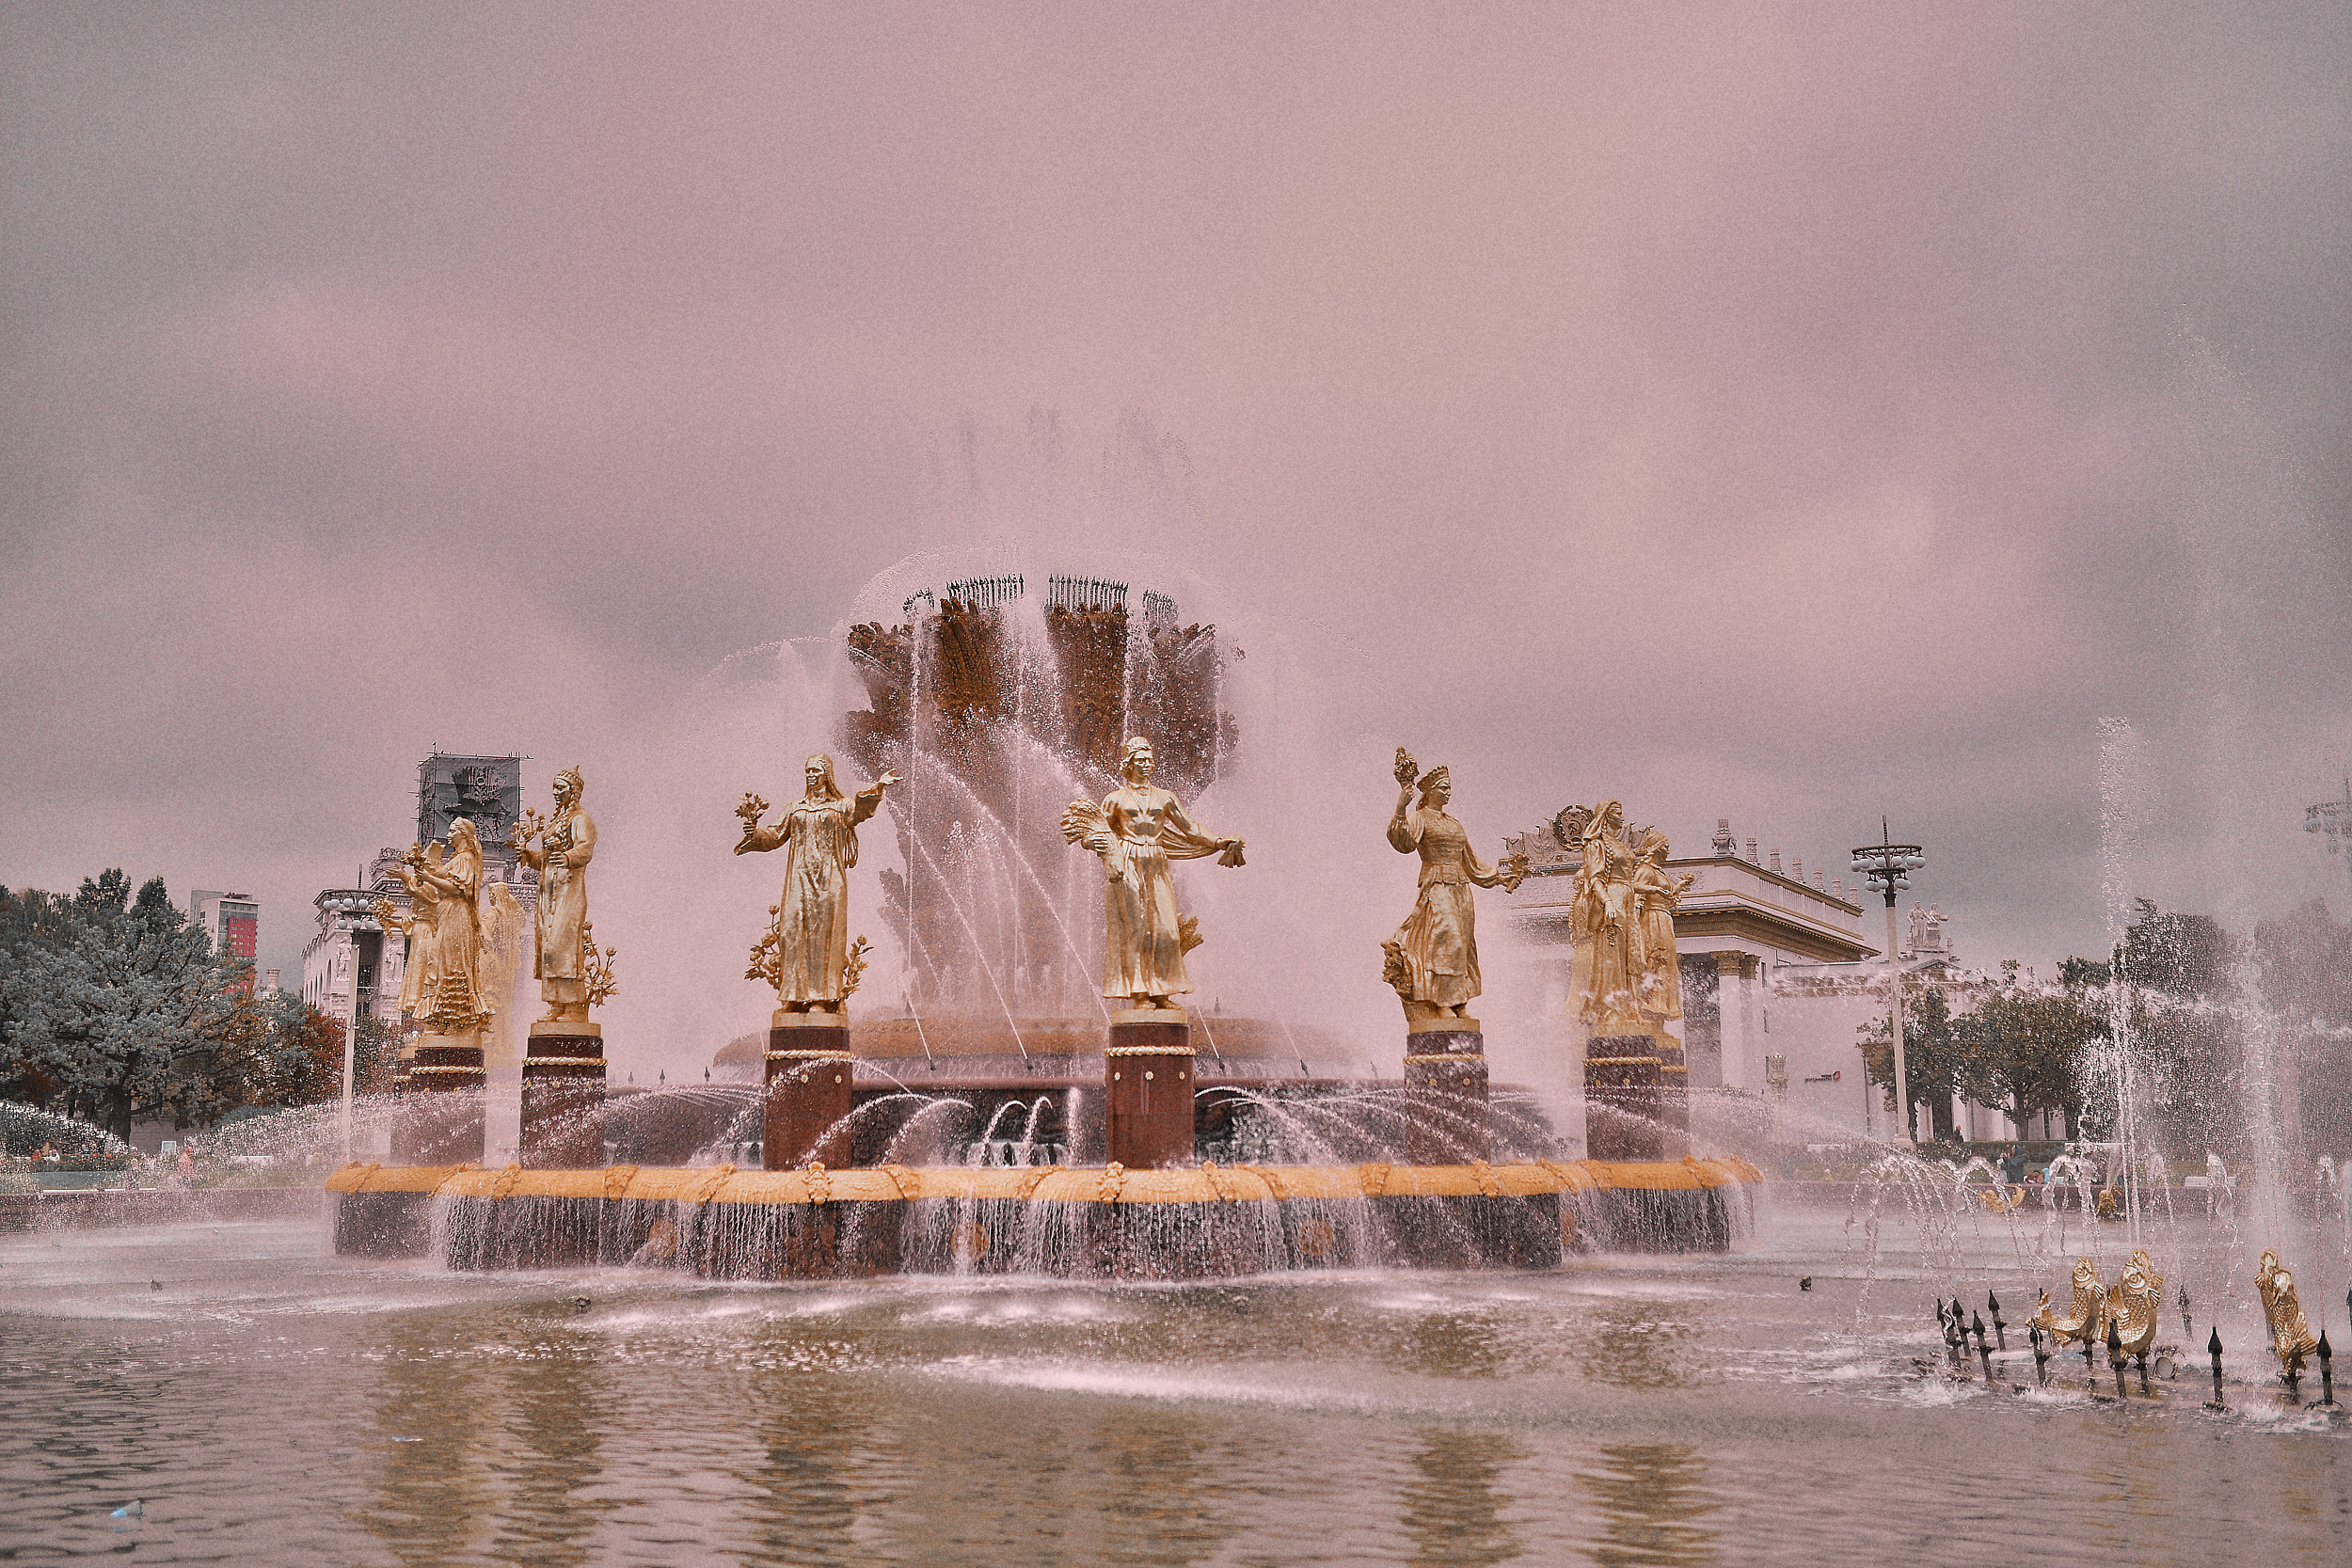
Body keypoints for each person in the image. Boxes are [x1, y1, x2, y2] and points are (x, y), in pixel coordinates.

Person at [1064, 736, 1244, 1010]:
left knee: (1166, 930)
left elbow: (1190, 827)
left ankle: (1162, 990)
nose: (1146, 765)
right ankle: (1140, 993)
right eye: (1140, 760)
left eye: (1149, 760)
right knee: (1137, 930)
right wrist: (1092, 843)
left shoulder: (1165, 797)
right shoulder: (1116, 800)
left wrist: (1218, 842)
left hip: (1157, 862)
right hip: (1128, 862)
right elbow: (1096, 832)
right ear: (1129, 764)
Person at [737, 753, 898, 1012]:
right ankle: (793, 997)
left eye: (816, 771)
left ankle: (822, 998)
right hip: (798, 881)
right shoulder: (795, 808)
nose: (811, 776)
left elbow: (859, 812)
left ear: (827, 775)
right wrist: (754, 832)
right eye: (808, 771)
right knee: (793, 933)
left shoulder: (840, 806)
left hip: (829, 881)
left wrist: (877, 788)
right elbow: (774, 836)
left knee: (825, 936)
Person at [1380, 755, 1523, 1020]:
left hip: (1461, 889)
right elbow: (1403, 843)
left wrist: (1500, 878)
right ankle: (1440, 1000)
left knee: (1464, 945)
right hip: (1436, 884)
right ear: (1430, 791)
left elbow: (1470, 862)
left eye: (1449, 787)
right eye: (1443, 787)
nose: (1448, 792)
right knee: (1448, 940)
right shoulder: (1421, 818)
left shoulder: (1454, 824)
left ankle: (1459, 1002)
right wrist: (1401, 808)